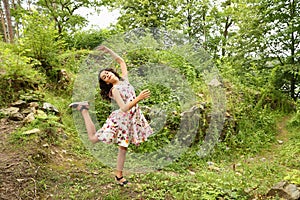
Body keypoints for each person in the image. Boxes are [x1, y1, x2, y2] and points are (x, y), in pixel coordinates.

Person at [69, 45, 153, 186]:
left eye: (107, 73)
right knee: (93, 139)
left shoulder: (124, 80)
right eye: (104, 77)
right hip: (120, 119)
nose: (107, 75)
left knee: (123, 147)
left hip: (131, 118)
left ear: (112, 73)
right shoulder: (114, 90)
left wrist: (108, 51)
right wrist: (138, 98)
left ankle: (118, 175)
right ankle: (84, 110)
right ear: (106, 82)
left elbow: (121, 61)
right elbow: (124, 108)